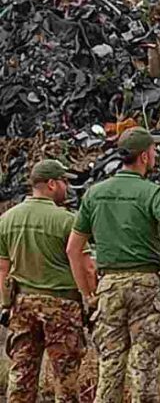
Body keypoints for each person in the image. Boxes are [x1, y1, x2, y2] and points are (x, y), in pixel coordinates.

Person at [66, 126, 160, 403]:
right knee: (144, 368)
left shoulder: (95, 193)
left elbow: (73, 249)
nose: (155, 154)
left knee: (110, 367)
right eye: (153, 150)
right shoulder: (152, 192)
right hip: (146, 286)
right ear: (144, 156)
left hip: (109, 286)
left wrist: (88, 293)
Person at [0, 160, 89, 403]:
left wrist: (5, 305)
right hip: (62, 305)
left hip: (22, 304)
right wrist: (89, 298)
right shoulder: (67, 221)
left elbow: (3, 268)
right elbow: (84, 264)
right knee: (65, 377)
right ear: (51, 184)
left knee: (22, 374)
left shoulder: (7, 219)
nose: (67, 187)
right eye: (64, 182)